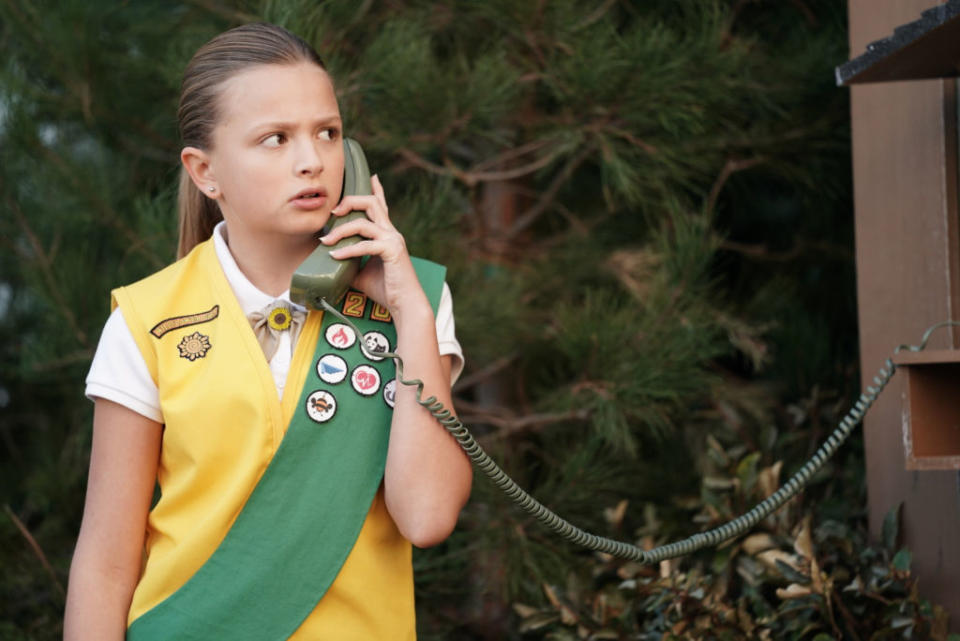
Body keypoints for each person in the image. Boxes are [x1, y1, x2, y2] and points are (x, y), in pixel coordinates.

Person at [63, 22, 472, 640]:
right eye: (275, 139)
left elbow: (429, 515)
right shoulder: (147, 321)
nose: (312, 161)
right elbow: (105, 562)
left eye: (328, 133)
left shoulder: (413, 301)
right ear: (205, 172)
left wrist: (410, 314)